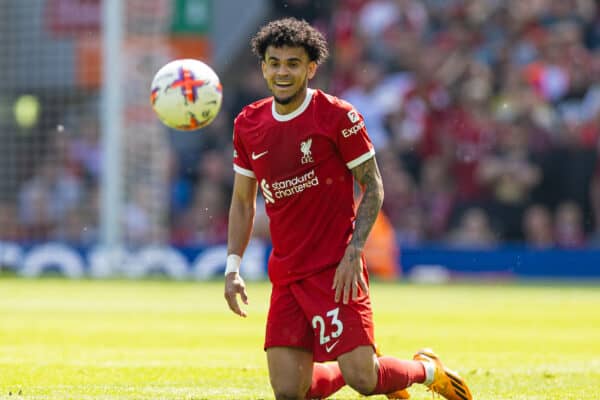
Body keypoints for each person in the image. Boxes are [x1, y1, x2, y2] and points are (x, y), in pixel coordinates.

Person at [223, 17, 473, 400]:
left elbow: (373, 186)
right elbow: (242, 201)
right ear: (263, 67)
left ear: (310, 68)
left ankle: (426, 370)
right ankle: (372, 369)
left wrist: (354, 249)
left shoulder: (337, 116)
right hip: (288, 271)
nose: (282, 72)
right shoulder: (248, 123)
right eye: (274, 63)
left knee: (365, 380)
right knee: (289, 391)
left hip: (335, 266)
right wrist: (233, 266)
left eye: (293, 63)